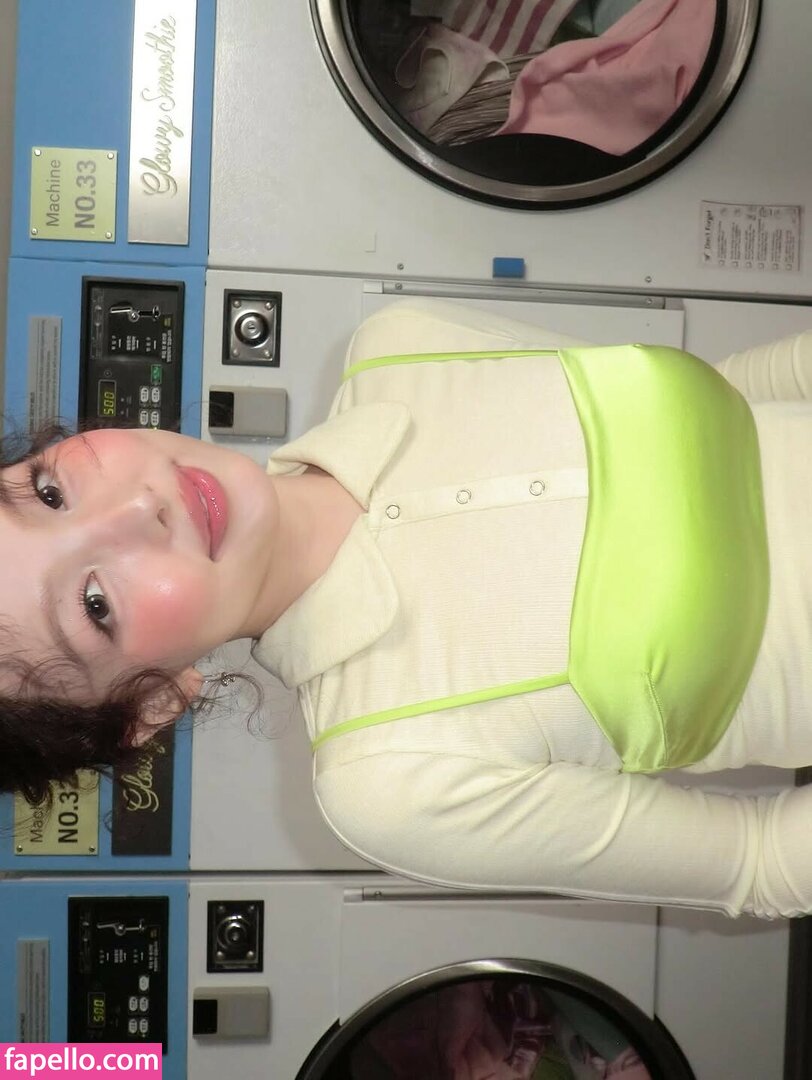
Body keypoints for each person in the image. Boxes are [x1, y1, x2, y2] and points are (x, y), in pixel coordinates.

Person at [3, 298, 812, 919]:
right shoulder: (388, 780)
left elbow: (737, 395)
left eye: (48, 491)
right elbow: (760, 861)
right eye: (96, 602)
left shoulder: (402, 343)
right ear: (151, 702)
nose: (134, 509)